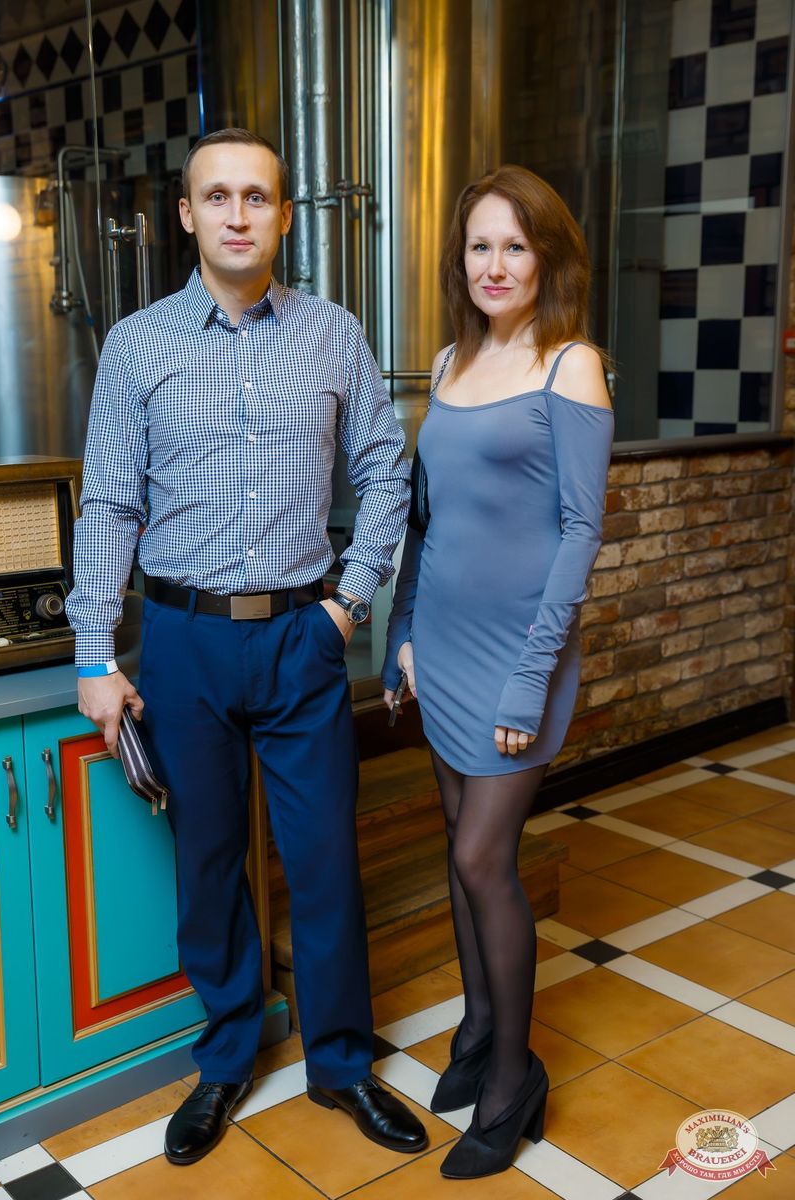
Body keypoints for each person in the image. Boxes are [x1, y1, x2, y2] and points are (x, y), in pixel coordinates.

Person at [67, 127, 427, 1166]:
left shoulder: (333, 334)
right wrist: (94, 654)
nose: (237, 214)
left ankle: (341, 1065)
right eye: (217, 196)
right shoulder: (136, 344)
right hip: (181, 641)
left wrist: (347, 605)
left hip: (302, 639)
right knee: (211, 860)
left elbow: (386, 471)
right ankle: (226, 1057)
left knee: (322, 862)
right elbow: (109, 505)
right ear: (187, 214)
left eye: (256, 197)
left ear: (283, 216)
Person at [382, 164, 613, 1179]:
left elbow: (579, 532)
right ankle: (478, 1027)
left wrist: (530, 678)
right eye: (480, 245)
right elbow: (427, 518)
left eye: (515, 245)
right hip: (439, 640)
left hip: (522, 655)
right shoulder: (448, 362)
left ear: (546, 257)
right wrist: (401, 632)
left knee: (484, 857)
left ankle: (515, 1078)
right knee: (454, 837)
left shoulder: (572, 366)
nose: (495, 264)